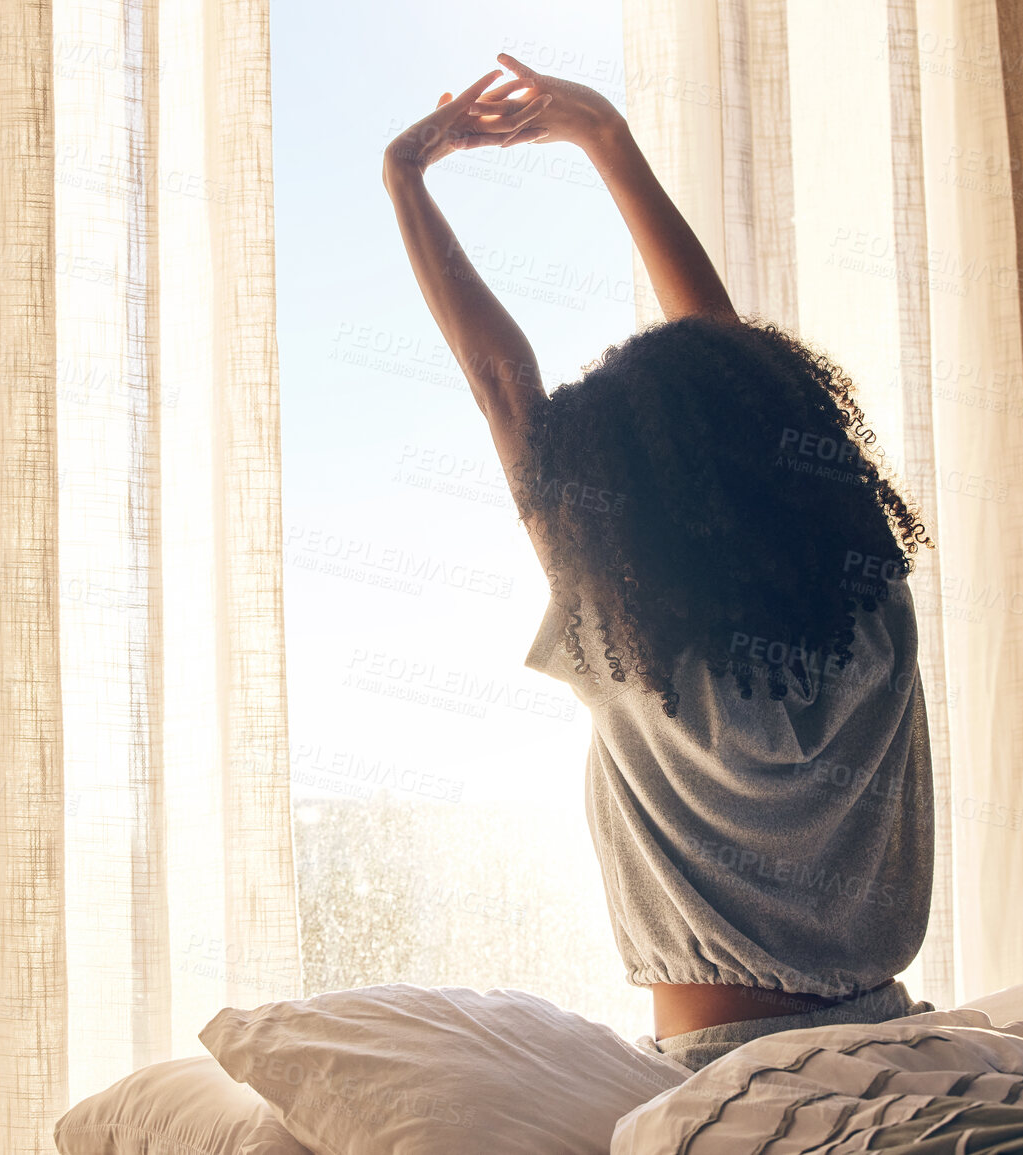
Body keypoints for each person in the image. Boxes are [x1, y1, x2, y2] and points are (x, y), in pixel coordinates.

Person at [381, 54, 938, 1071]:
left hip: (729, 1068)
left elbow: (503, 383)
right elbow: (733, 375)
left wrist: (405, 180)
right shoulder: (873, 600)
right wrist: (607, 142)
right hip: (898, 1036)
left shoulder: (629, 643)